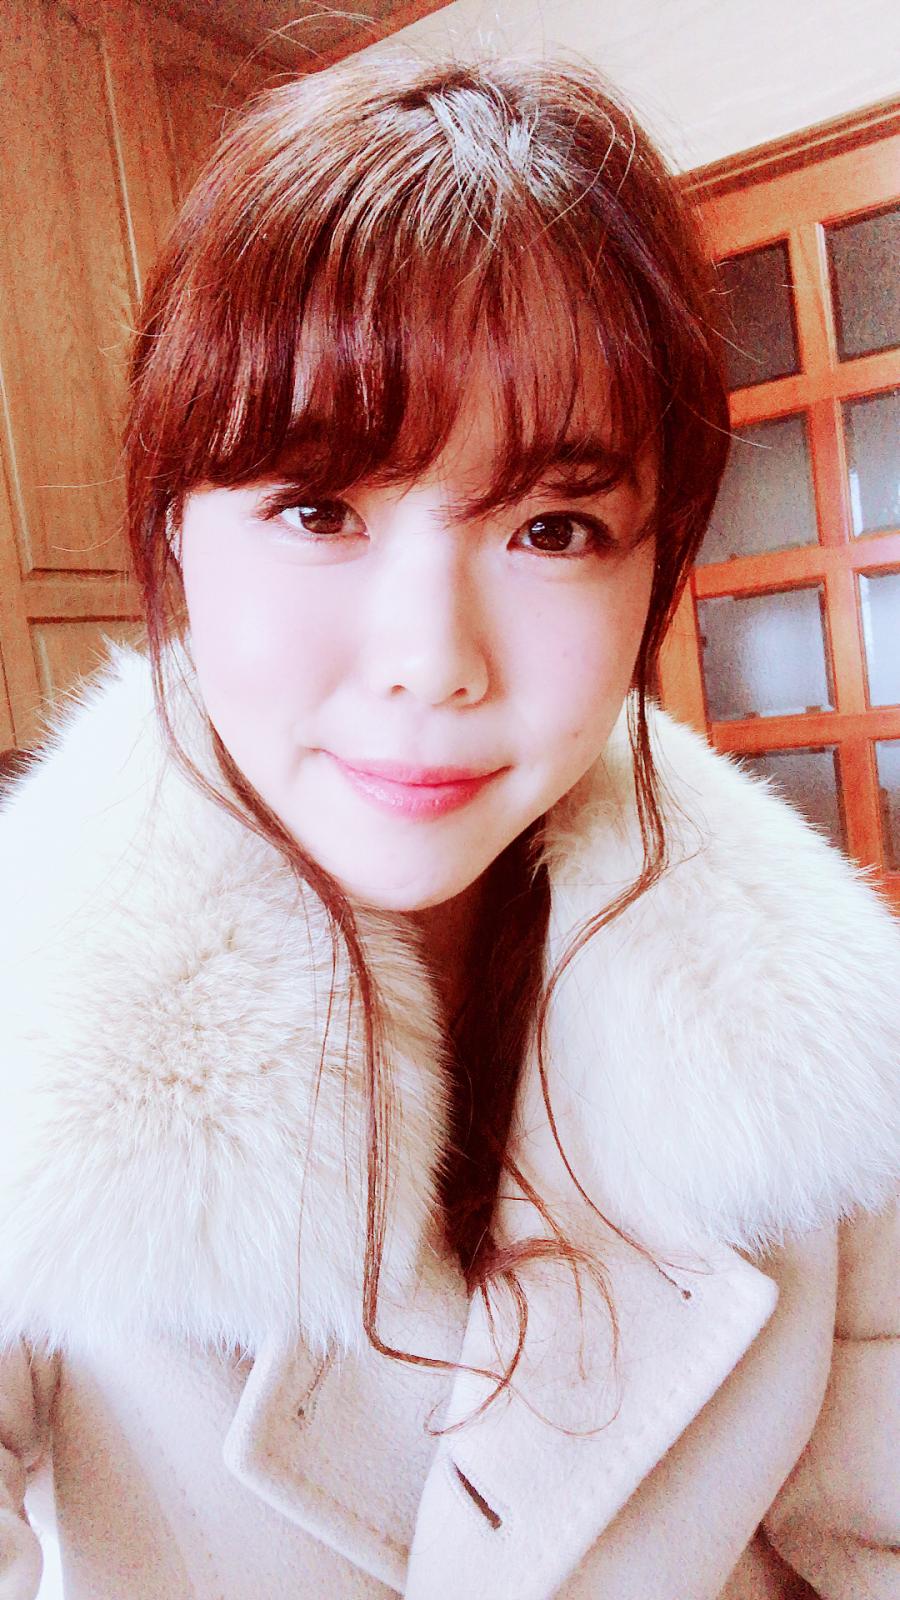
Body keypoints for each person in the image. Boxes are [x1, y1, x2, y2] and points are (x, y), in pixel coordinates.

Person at [0, 50, 897, 1600]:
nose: (432, 660)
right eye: (317, 509)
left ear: (655, 565)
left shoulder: (838, 1050)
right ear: (175, 534)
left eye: (554, 527)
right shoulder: (29, 1004)